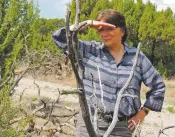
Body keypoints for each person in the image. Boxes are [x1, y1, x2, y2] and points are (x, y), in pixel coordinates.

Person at [52, 9, 165, 137]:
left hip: (121, 129)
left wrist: (142, 113)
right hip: (88, 125)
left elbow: (158, 87)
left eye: (109, 29)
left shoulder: (137, 58)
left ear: (122, 31)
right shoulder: (89, 51)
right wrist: (87, 23)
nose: (104, 33)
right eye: (101, 29)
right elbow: (59, 37)